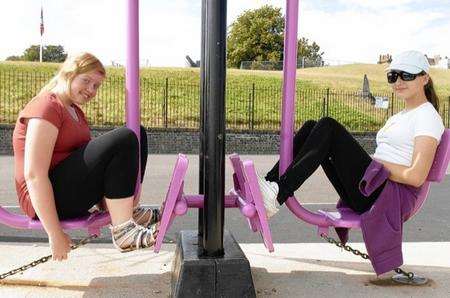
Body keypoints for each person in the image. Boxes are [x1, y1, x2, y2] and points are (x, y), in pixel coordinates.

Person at [258, 50, 445, 218]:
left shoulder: (427, 116)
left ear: (425, 78)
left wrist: (376, 166)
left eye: (407, 75)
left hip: (387, 197)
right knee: (311, 127)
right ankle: (270, 184)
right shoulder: (400, 116)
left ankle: (278, 194)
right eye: (393, 76)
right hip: (370, 188)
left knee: (328, 127)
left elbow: (416, 177)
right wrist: (372, 166)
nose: (398, 81)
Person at [13, 52, 160, 261]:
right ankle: (123, 231)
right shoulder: (46, 106)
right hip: (45, 200)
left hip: (67, 193)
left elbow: (93, 169)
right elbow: (34, 175)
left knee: (137, 133)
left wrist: (107, 208)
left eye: (96, 86)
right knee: (125, 138)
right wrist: (54, 233)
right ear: (69, 74)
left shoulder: (75, 112)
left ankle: (127, 214)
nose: (91, 90)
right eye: (86, 81)